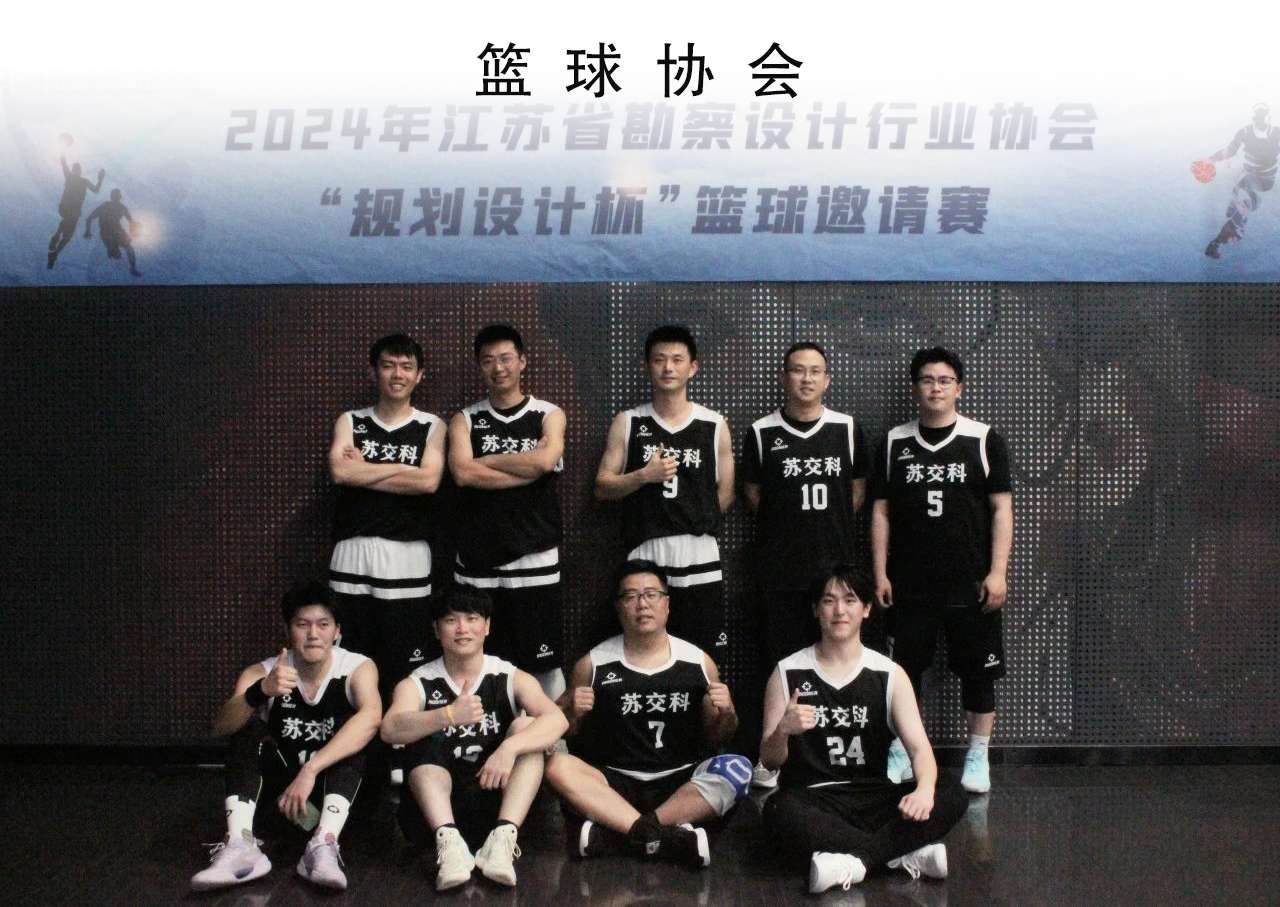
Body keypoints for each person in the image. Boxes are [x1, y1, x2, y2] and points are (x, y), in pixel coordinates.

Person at [759, 565, 966, 893]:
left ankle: (857, 861)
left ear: (867, 608)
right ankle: (900, 854)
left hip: (874, 797)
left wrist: (925, 789)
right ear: (816, 609)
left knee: (952, 790)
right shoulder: (787, 672)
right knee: (776, 810)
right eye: (829, 601)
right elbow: (769, 760)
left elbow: (919, 749)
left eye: (850, 600)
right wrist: (783, 730)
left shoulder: (889, 674)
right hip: (814, 798)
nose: (839, 610)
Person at [544, 560, 751, 868]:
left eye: (651, 594)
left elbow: (717, 737)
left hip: (680, 781)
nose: (642, 604)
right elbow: (569, 731)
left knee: (739, 769)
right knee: (557, 766)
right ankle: (668, 838)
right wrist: (572, 711)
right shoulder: (592, 664)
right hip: (615, 782)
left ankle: (623, 834)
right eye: (631, 596)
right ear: (618, 608)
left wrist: (728, 713)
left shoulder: (699, 662)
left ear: (667, 604)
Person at [870, 347, 1013, 794]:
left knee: (978, 674)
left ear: (959, 388)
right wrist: (880, 573)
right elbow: (880, 512)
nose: (936, 388)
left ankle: (978, 754)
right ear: (916, 387)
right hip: (910, 584)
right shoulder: (894, 442)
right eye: (927, 380)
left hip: (970, 584)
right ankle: (903, 749)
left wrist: (998, 572)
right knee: (905, 673)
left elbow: (1002, 509)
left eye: (945, 380)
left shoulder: (983, 439)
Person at [190, 582, 381, 892]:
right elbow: (221, 727)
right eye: (302, 625)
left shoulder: (357, 667)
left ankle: (324, 843)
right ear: (288, 630)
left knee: (356, 727)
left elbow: (372, 717)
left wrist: (311, 769)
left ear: (337, 631)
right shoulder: (264, 671)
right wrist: (260, 691)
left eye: (323, 625)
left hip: (336, 795)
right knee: (247, 726)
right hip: (284, 798)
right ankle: (240, 845)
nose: (313, 634)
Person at [742, 341, 868, 787]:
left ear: (827, 379)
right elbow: (754, 496)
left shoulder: (846, 428)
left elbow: (856, 491)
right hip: (780, 571)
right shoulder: (762, 432)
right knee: (778, 664)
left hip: (834, 572)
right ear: (785, 377)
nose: (807, 378)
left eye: (815, 371)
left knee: (837, 662)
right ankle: (770, 757)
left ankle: (835, 756)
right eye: (798, 370)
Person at [381, 588, 568, 890]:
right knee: (419, 733)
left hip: (496, 802)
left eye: (471, 618)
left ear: (487, 626)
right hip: (434, 814)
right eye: (451, 620)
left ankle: (502, 841)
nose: (462, 628)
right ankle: (450, 846)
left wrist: (509, 748)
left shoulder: (509, 676)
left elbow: (558, 720)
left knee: (527, 727)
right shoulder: (417, 682)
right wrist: (447, 715)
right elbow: (389, 729)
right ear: (436, 630)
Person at [594, 325, 734, 654]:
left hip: (697, 550)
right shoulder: (628, 421)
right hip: (646, 548)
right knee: (642, 647)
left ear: (693, 367)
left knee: (703, 652)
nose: (668, 367)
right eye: (659, 360)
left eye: (676, 359)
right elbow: (602, 486)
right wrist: (643, 476)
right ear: (647, 367)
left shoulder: (713, 424)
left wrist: (693, 519)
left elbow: (726, 492)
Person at [448, 324, 567, 699]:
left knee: (543, 663)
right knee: (479, 661)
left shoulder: (548, 414)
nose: (498, 368)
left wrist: (486, 461)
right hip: (478, 560)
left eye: (505, 358)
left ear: (522, 361)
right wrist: (525, 467)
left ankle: (551, 731)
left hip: (535, 557)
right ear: (479, 366)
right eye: (488, 360)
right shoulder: (465, 419)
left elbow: (546, 461)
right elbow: (462, 473)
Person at [328, 333, 445, 705]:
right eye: (388, 365)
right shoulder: (351, 421)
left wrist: (367, 470)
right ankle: (355, 735)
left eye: (407, 367)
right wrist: (404, 469)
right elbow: (341, 473)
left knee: (404, 660)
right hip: (352, 551)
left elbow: (428, 481)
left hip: (407, 554)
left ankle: (400, 736)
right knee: (349, 659)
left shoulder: (432, 426)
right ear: (373, 371)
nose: (398, 374)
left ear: (419, 375)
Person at [1200, 103, 1280, 259]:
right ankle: (1216, 242)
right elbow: (1229, 151)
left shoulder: (1277, 133)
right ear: (1253, 118)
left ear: (1269, 118)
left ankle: (1232, 210)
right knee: (1242, 211)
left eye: (1264, 117)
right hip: (1249, 178)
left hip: (1264, 181)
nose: (1261, 121)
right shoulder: (1245, 132)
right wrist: (1210, 160)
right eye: (1258, 117)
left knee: (1243, 205)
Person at [48, 153, 104, 268]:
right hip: (66, 208)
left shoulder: (82, 181)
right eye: (75, 169)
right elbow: (64, 164)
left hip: (73, 211)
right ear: (74, 170)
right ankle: (56, 237)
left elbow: (96, 190)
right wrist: (62, 151)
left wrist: (100, 179)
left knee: (68, 236)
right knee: (68, 219)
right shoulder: (71, 177)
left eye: (78, 169)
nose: (77, 171)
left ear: (79, 171)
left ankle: (55, 253)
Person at [83, 188, 141, 277]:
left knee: (129, 248)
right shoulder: (105, 206)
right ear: (112, 197)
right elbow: (89, 218)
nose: (117, 198)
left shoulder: (122, 208)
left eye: (118, 196)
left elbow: (131, 221)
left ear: (119, 197)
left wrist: (134, 227)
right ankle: (115, 253)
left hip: (117, 231)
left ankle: (132, 268)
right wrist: (88, 230)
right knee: (117, 255)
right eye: (115, 196)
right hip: (107, 234)